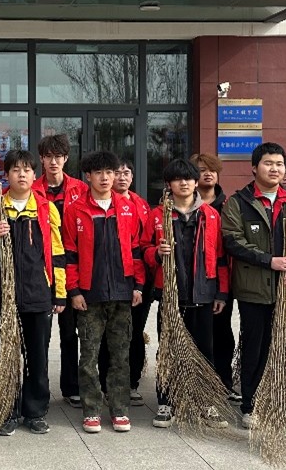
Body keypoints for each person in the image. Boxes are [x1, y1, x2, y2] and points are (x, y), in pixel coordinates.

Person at [223, 143, 286, 429]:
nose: (275, 169)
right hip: (255, 291)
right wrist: (269, 261)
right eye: (268, 163)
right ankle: (251, 406)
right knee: (255, 348)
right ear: (254, 168)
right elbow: (232, 241)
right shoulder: (239, 202)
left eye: (279, 164)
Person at [0, 149, 67, 436]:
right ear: (6, 175)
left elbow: (57, 254)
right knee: (2, 356)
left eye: (26, 170)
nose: (21, 174)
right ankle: (5, 410)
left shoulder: (45, 209)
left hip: (38, 295)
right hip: (0, 295)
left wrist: (59, 293)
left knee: (37, 356)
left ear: (35, 175)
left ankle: (35, 412)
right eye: (15, 170)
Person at [144, 158, 229, 429]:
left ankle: (206, 402)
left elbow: (221, 257)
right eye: (178, 179)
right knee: (168, 349)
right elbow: (142, 249)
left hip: (202, 293)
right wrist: (156, 253)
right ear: (169, 184)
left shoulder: (210, 215)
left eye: (189, 178)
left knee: (205, 350)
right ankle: (166, 402)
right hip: (171, 296)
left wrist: (221, 293)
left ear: (195, 182)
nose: (184, 183)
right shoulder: (158, 215)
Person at [64, 150, 145, 434]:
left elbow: (135, 249)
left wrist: (138, 285)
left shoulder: (127, 208)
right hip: (90, 295)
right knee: (89, 356)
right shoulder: (76, 209)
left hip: (122, 293)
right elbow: (69, 254)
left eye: (110, 172)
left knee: (120, 356)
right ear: (88, 176)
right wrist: (74, 290)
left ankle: (120, 409)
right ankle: (91, 410)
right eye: (98, 173)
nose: (105, 178)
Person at [31, 134, 90, 408]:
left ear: (66, 158)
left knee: (69, 333)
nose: (53, 162)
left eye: (58, 156)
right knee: (39, 335)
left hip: (72, 267)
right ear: (41, 159)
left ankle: (71, 386)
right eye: (48, 157)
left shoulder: (81, 188)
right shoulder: (31, 189)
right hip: (41, 269)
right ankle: (37, 389)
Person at [192, 151, 239, 402]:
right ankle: (196, 384)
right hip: (193, 282)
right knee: (197, 335)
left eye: (211, 169)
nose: (207, 174)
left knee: (222, 333)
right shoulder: (185, 204)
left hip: (222, 279)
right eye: (201, 170)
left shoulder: (229, 205)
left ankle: (223, 382)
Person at [113, 158, 152, 406]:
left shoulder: (141, 204)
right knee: (112, 332)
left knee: (135, 330)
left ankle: (132, 381)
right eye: (117, 173)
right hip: (113, 278)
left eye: (126, 172)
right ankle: (110, 381)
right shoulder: (103, 203)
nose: (122, 177)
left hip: (140, 278)